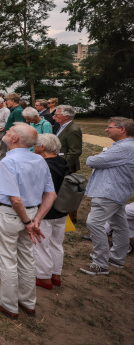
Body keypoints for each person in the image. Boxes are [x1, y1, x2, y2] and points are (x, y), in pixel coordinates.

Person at [0, 124, 56, 320]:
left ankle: (8, 304)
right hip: (30, 215)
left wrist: (28, 222)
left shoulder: (9, 161)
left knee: (6, 259)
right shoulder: (39, 160)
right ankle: (27, 302)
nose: (4, 133)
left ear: (15, 139)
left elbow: (15, 199)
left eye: (8, 132)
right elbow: (51, 193)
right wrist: (36, 220)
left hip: (12, 215)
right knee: (27, 257)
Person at [80, 117, 134, 275]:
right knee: (120, 224)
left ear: (122, 130)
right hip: (119, 191)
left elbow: (93, 161)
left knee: (94, 223)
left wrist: (92, 158)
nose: (106, 130)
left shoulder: (124, 147)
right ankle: (116, 257)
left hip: (109, 192)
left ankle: (100, 263)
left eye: (109, 127)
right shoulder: (127, 146)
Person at [32, 133, 71, 289]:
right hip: (62, 209)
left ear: (42, 147)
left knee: (41, 244)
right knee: (56, 243)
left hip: (46, 210)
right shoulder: (63, 162)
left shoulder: (44, 165)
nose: (33, 147)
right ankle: (56, 274)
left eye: (35, 145)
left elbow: (44, 190)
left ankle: (43, 277)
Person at [54, 104, 83, 223]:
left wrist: (63, 165)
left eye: (57, 114)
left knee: (69, 191)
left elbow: (75, 151)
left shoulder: (73, 129)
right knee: (62, 189)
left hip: (67, 165)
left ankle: (72, 217)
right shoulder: (63, 126)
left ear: (66, 116)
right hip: (60, 163)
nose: (54, 117)